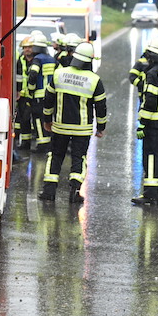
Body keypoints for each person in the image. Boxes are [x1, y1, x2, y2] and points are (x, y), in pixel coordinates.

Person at [38, 42, 107, 203]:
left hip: (60, 126)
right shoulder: (95, 80)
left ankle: (49, 191)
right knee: (79, 158)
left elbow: (48, 100)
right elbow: (101, 107)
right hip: (82, 129)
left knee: (55, 156)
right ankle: (75, 192)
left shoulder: (59, 74)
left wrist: (47, 120)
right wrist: (101, 127)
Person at [131, 35, 158, 206]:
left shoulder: (152, 73)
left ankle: (150, 194)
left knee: (150, 156)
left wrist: (142, 123)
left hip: (153, 123)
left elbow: (150, 100)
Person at [26, 32, 57, 154]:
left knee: (38, 119)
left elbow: (33, 75)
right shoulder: (52, 60)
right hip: (52, 95)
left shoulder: (37, 60)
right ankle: (51, 144)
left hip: (39, 96)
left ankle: (43, 144)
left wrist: (31, 89)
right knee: (49, 118)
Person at [13, 35, 35, 154]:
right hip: (22, 94)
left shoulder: (36, 60)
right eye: (25, 47)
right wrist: (18, 91)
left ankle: (29, 142)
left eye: (30, 47)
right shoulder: (20, 60)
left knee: (31, 118)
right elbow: (18, 77)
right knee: (23, 118)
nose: (27, 49)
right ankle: (25, 143)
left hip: (34, 94)